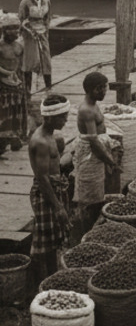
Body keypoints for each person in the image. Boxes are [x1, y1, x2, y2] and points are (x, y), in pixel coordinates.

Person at [29, 94, 71, 282]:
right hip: (46, 192)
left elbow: (55, 165)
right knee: (45, 241)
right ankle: (43, 280)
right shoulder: (41, 141)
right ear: (50, 117)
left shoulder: (52, 136)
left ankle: (53, 275)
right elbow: (42, 177)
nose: (66, 120)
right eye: (62, 117)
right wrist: (57, 206)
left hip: (55, 186)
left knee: (54, 238)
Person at [72, 72, 120, 231]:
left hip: (97, 153)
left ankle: (92, 228)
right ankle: (86, 231)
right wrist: (111, 161)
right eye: (100, 89)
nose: (104, 92)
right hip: (91, 156)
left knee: (99, 193)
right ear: (91, 90)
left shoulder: (94, 104)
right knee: (91, 198)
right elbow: (93, 142)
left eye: (104, 88)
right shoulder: (87, 110)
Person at [19, 0, 51, 93]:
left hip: (43, 33)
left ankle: (48, 86)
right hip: (30, 34)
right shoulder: (25, 2)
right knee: (30, 61)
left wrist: (46, 29)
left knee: (46, 60)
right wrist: (31, 31)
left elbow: (48, 17)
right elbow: (21, 19)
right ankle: (27, 89)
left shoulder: (46, 0)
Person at [0, 15, 26, 155]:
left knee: (17, 112)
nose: (16, 32)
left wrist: (23, 84)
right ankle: (2, 141)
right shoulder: (0, 47)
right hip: (3, 85)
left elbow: (20, 66)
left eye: (17, 28)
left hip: (16, 84)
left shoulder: (19, 46)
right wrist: (6, 73)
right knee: (4, 113)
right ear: (4, 30)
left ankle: (15, 137)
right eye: (12, 29)